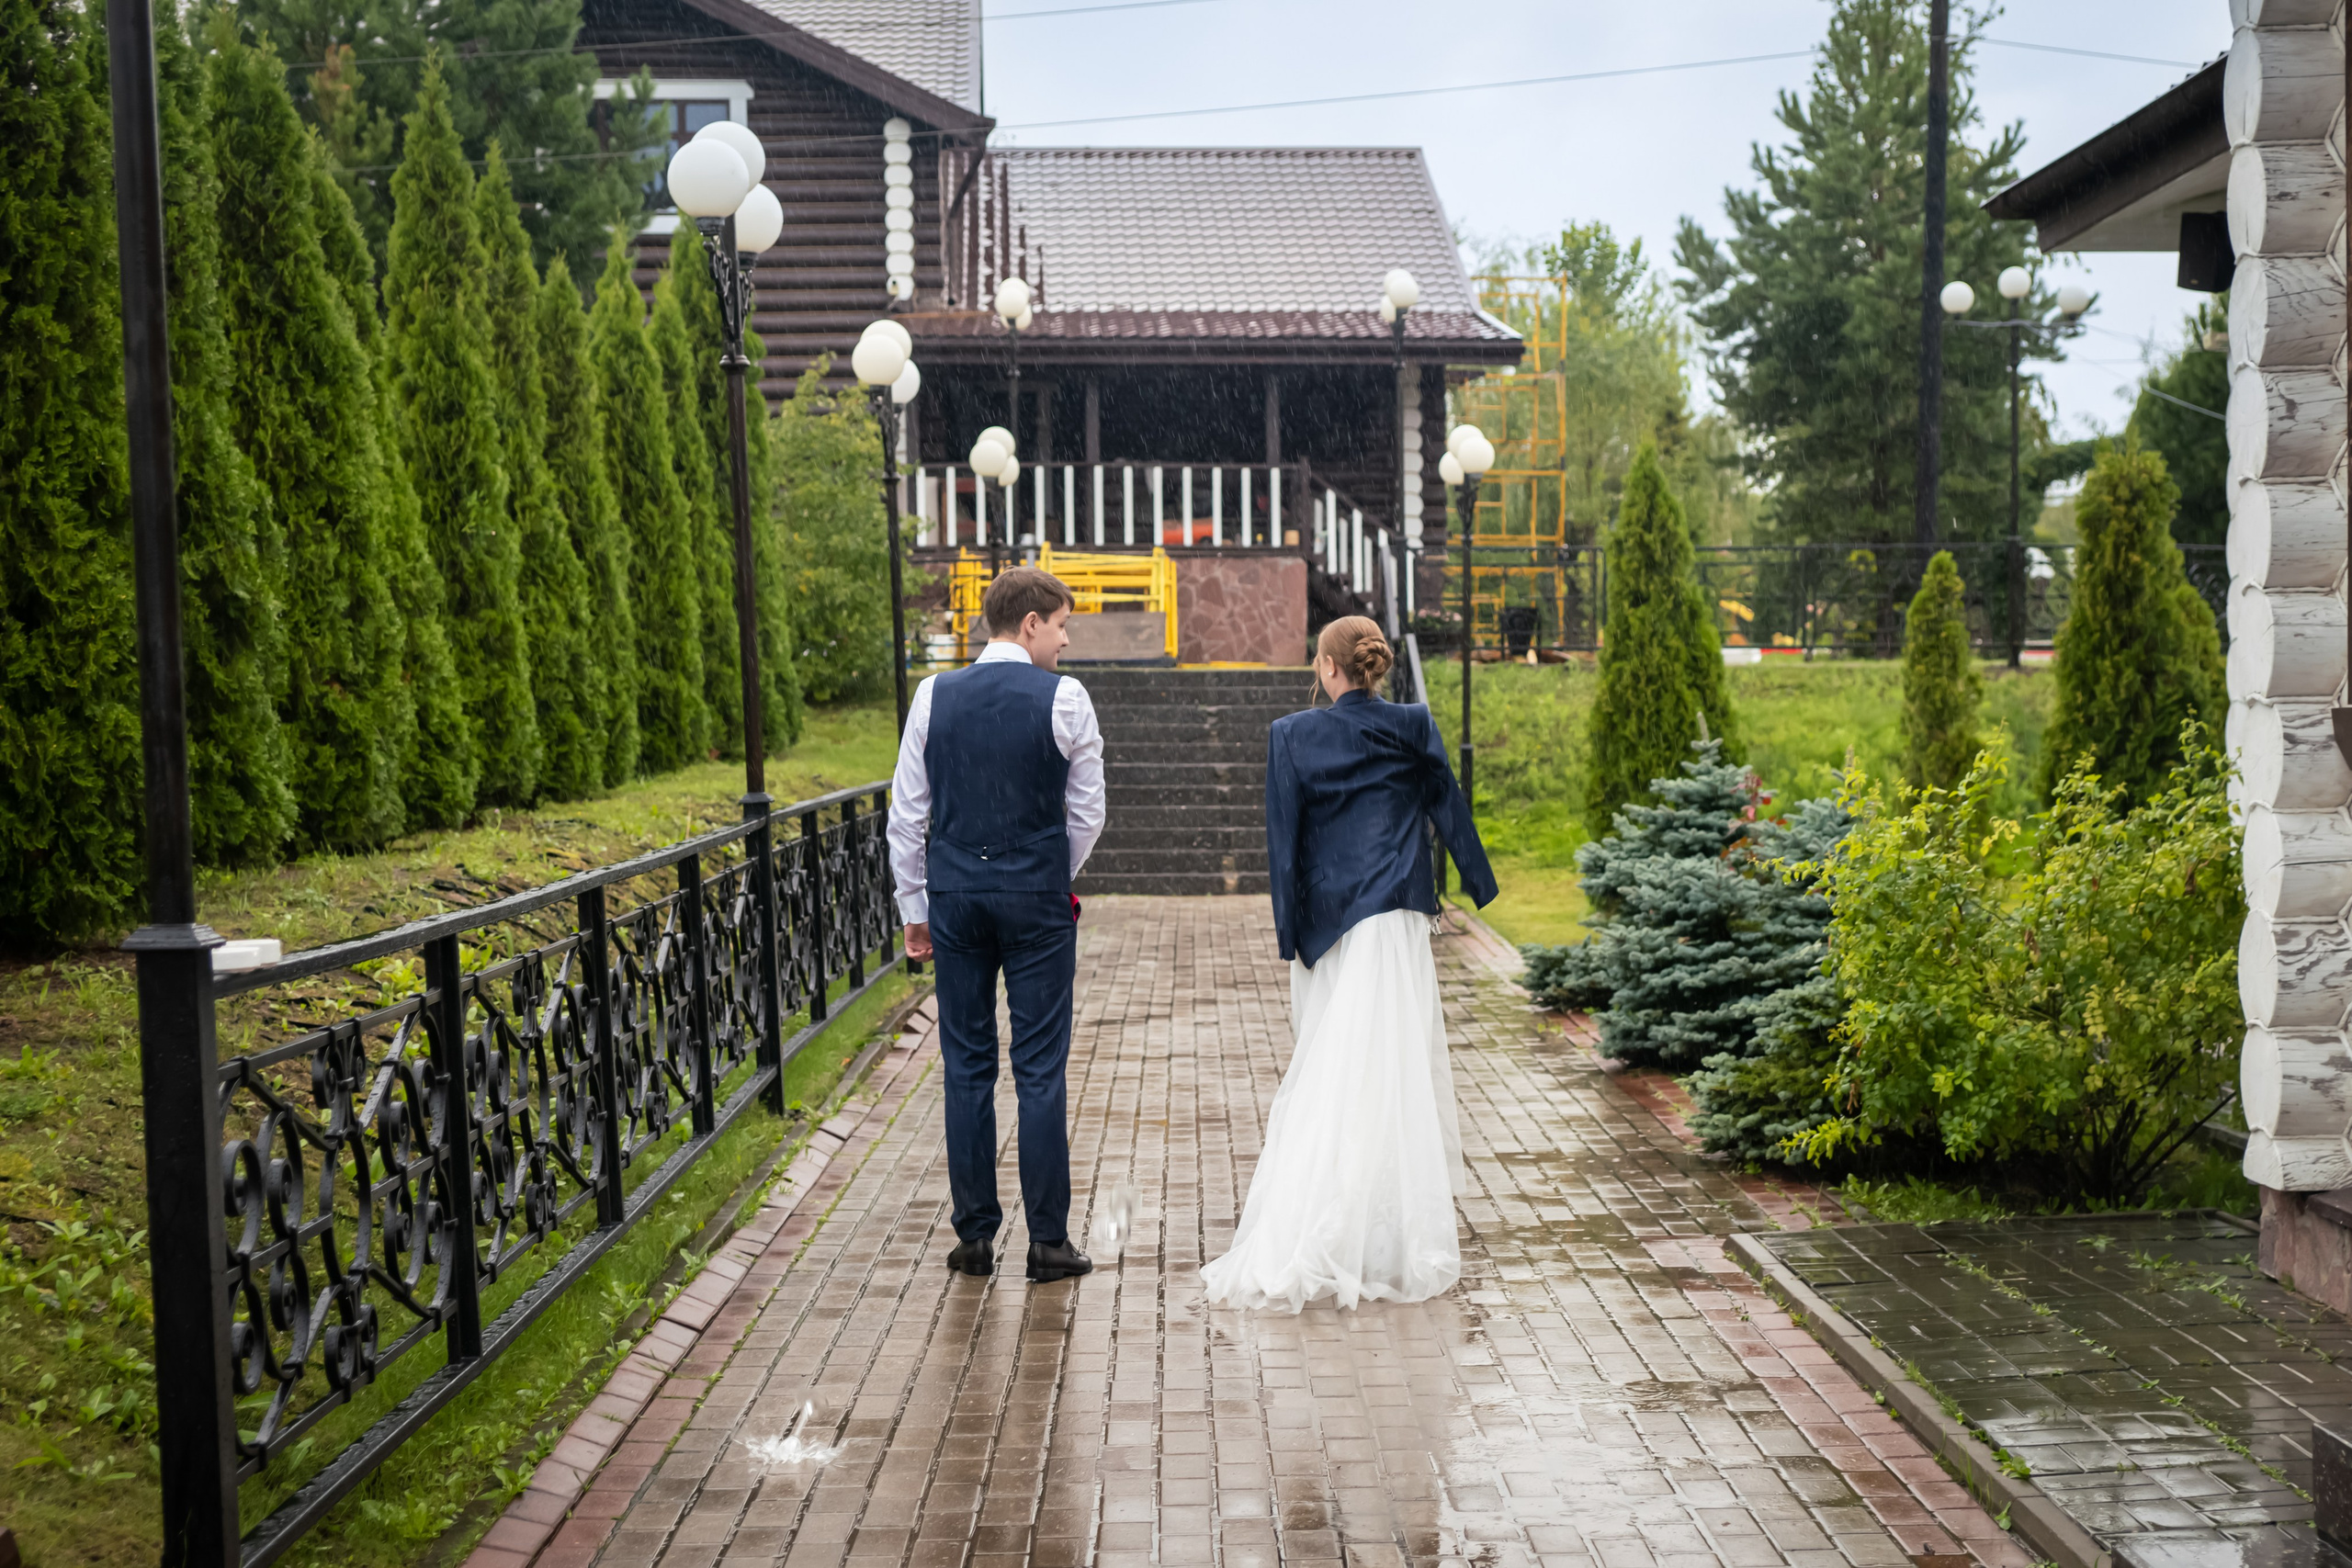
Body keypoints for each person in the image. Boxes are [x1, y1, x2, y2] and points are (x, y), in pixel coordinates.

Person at [1201, 615, 1498, 1313]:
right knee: (1389, 1067)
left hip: (1329, 921)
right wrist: (1478, 884)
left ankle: (1329, 1227)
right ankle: (1386, 1236)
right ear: (1374, 667)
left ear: (1329, 670)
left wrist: (1289, 935)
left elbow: (1284, 840)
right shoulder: (1414, 723)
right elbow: (1446, 804)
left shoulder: (1292, 735)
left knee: (1333, 1063)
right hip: (1395, 917)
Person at [886, 567, 1106, 1284]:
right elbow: (1087, 813)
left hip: (955, 898)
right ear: (1030, 622)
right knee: (1039, 1068)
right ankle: (1048, 1241)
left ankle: (974, 1236)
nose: (1067, 640)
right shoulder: (1065, 699)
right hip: (1036, 898)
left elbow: (907, 814)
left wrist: (913, 908)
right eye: (1062, 624)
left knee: (967, 1064)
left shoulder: (933, 695)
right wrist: (1045, 872)